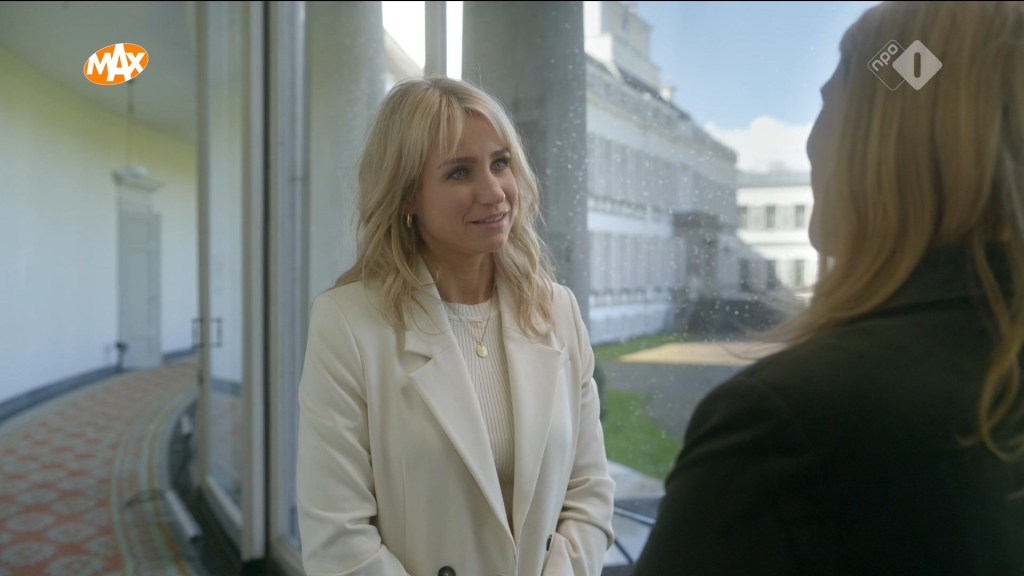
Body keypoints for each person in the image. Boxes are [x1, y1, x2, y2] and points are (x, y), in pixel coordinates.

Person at [630, 1, 1024, 574]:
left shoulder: (786, 420)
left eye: (828, 104)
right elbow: (924, 84)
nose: (811, 145)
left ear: (875, 144)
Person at [295, 76, 615, 576]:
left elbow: (589, 492)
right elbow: (338, 541)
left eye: (500, 163)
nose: (494, 192)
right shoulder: (347, 325)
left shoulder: (557, 311)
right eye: (460, 173)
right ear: (407, 196)